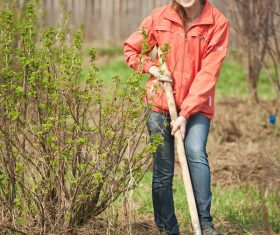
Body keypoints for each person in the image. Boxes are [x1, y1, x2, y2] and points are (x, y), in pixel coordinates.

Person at [124, 0, 230, 234]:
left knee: (195, 152)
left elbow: (208, 73)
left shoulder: (217, 23)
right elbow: (131, 50)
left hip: (197, 104)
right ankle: (167, 228)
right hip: (160, 102)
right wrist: (153, 68)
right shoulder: (160, 17)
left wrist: (185, 114)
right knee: (163, 169)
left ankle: (205, 224)